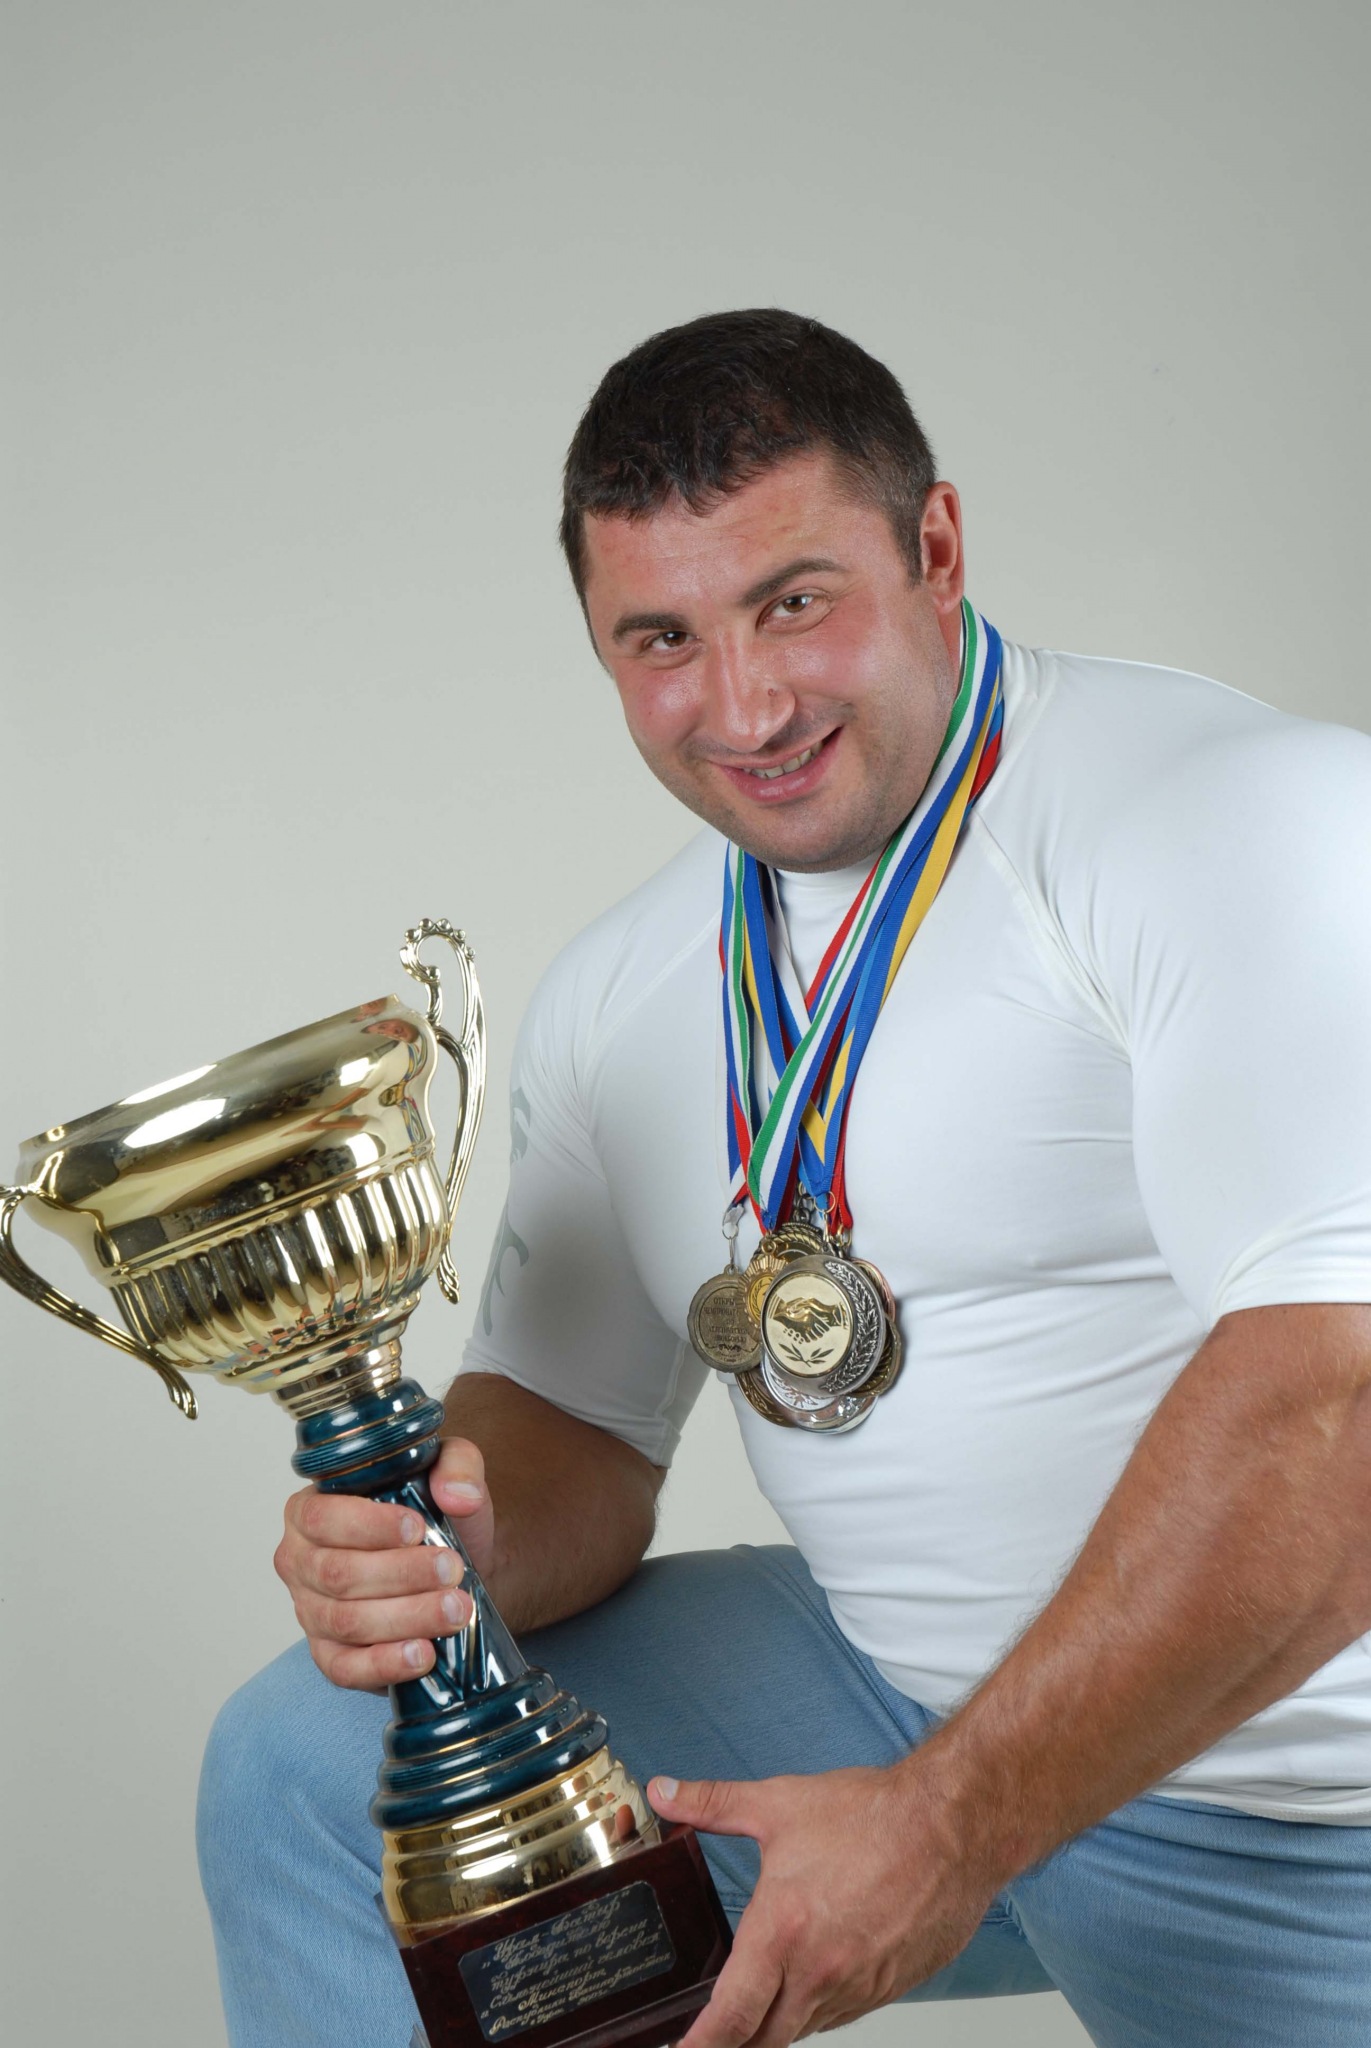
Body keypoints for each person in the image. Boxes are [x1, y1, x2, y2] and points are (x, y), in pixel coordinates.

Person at [198, 310, 1371, 2048]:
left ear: (936, 549)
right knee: (311, 1766)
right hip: (891, 1705)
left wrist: (950, 1825)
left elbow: (1340, 1412)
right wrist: (457, 1543)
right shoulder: (622, 988)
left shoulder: (1239, 819)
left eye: (795, 602)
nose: (743, 708)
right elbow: (577, 1432)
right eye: (662, 639)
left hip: (1308, 1813)